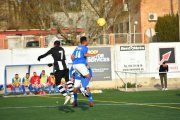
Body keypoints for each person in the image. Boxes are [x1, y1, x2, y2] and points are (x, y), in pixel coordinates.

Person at [38, 40, 74, 105]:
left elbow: (45, 55)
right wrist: (52, 64)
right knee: (68, 81)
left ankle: (66, 95)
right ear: (59, 44)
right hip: (66, 67)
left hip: (59, 69)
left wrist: (40, 57)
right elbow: (60, 59)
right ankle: (72, 96)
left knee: (58, 83)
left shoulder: (52, 49)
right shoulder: (62, 49)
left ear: (54, 44)